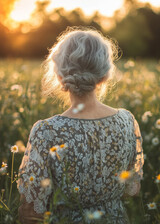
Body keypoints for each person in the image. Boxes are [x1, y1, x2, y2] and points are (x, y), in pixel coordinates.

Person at [17, 27, 144, 224]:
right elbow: (131, 190)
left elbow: (31, 211)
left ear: (60, 75)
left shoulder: (46, 131)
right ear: (104, 75)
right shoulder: (127, 121)